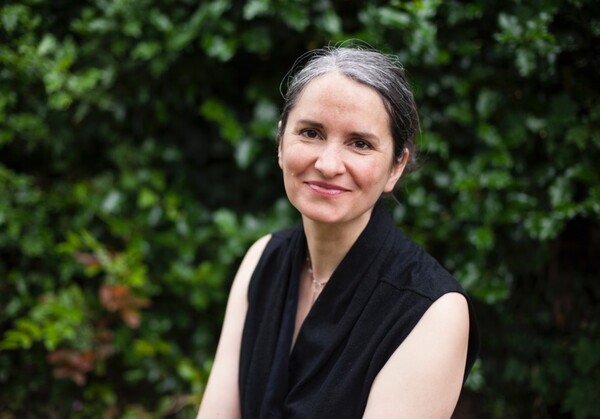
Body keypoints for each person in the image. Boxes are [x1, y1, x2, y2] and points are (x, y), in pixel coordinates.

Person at [197, 44, 479, 419]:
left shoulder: (434, 312)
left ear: (396, 168)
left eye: (360, 143)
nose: (328, 164)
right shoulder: (261, 260)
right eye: (311, 133)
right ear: (281, 143)